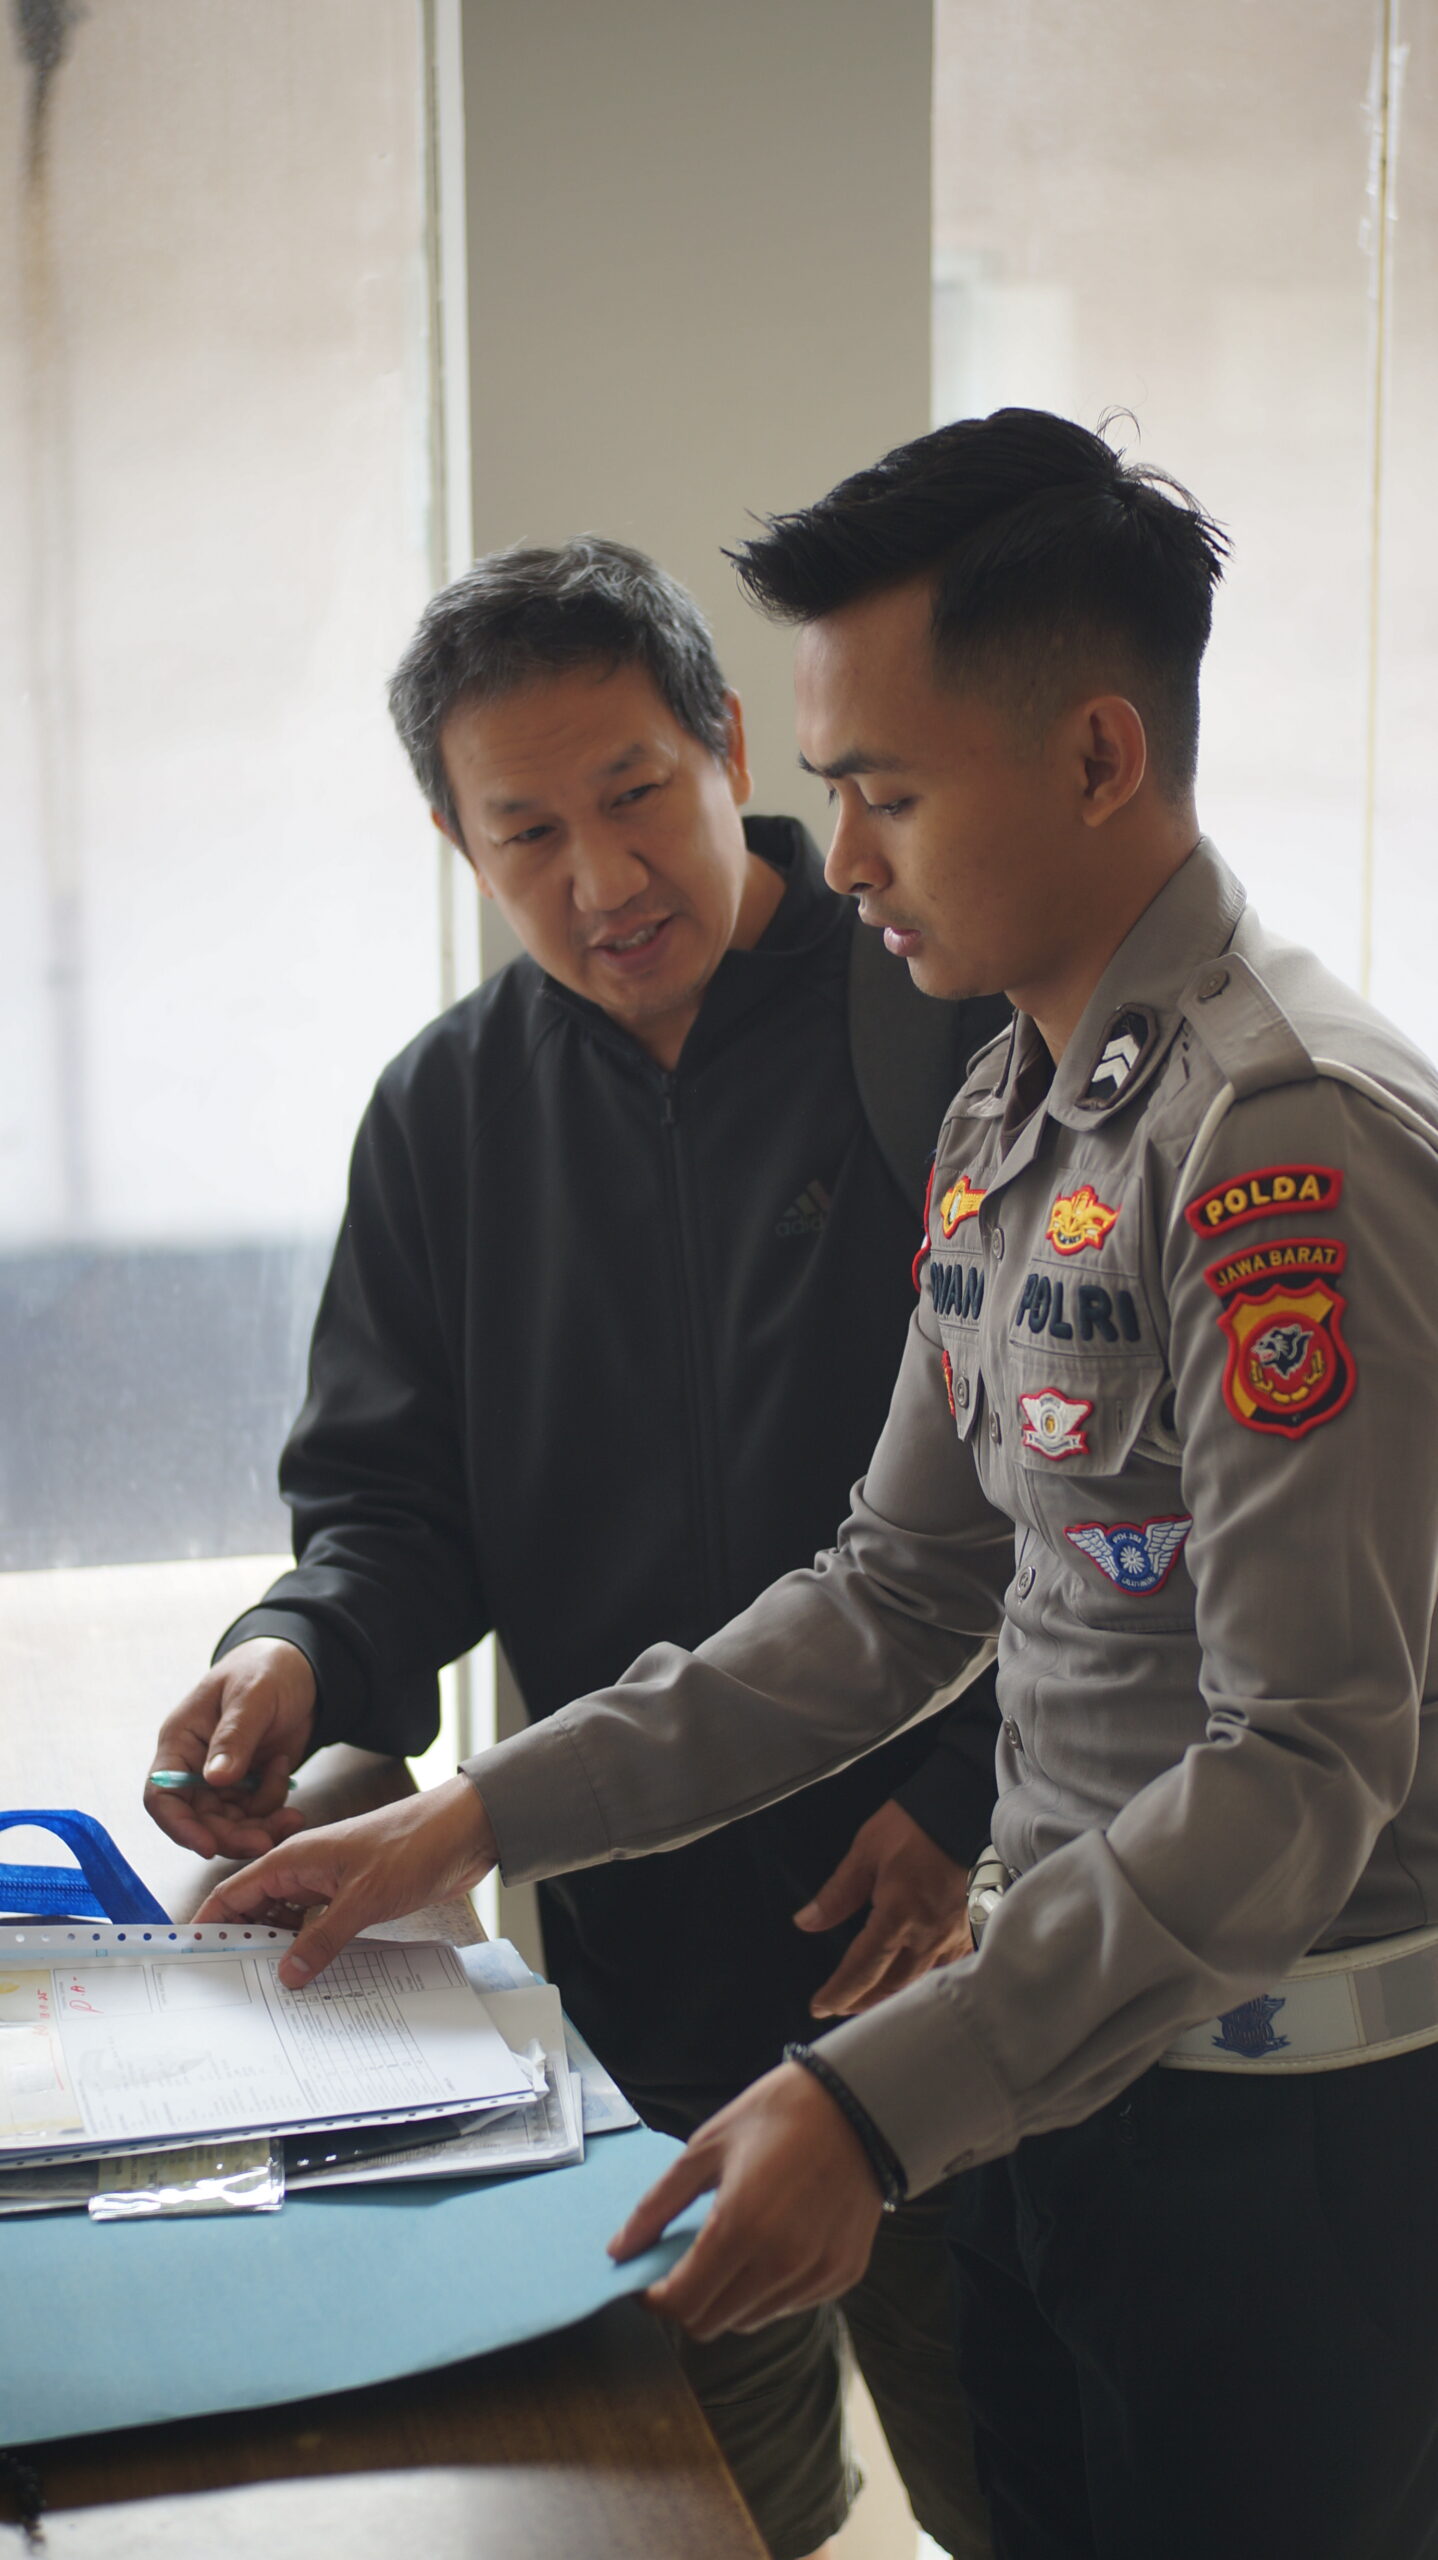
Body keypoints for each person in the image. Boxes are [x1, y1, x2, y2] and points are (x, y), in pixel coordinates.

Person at [196, 413, 1438, 2560]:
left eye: (882, 789)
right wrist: (469, 1821)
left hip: (1280, 2132)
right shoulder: (1009, 1113)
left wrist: (875, 2099)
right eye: (838, 789)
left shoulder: (1278, 1141)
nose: (838, 855)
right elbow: (884, 1595)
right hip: (1055, 2087)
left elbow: (1298, 1759)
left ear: (1091, 758)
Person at [146, 538, 1008, 2560]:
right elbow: (392, 1515)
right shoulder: (443, 1116)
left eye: (633, 792)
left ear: (726, 741)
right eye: (524, 828)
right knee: (713, 2510)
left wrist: (972, 1800)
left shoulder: (944, 1030)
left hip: (962, 1953)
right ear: (450, 836)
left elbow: (1088, 1505)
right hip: (636, 1984)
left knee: (1028, 2484)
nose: (600, 876)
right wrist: (297, 1646)